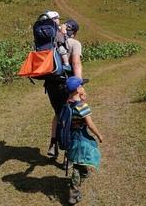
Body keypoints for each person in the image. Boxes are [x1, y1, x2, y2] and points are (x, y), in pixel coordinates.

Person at [44, 18, 83, 167]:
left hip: (51, 84)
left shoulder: (53, 41)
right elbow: (75, 63)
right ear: (76, 32)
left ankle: (53, 144)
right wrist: (79, 85)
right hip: (65, 85)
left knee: (58, 113)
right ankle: (67, 156)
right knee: (70, 117)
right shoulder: (74, 43)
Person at [63, 76, 103, 205]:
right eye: (82, 86)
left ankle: (84, 172)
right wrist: (99, 135)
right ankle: (73, 194)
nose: (84, 87)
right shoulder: (82, 107)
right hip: (80, 137)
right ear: (78, 89)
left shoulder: (67, 103)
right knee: (77, 164)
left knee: (78, 159)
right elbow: (90, 125)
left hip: (71, 136)